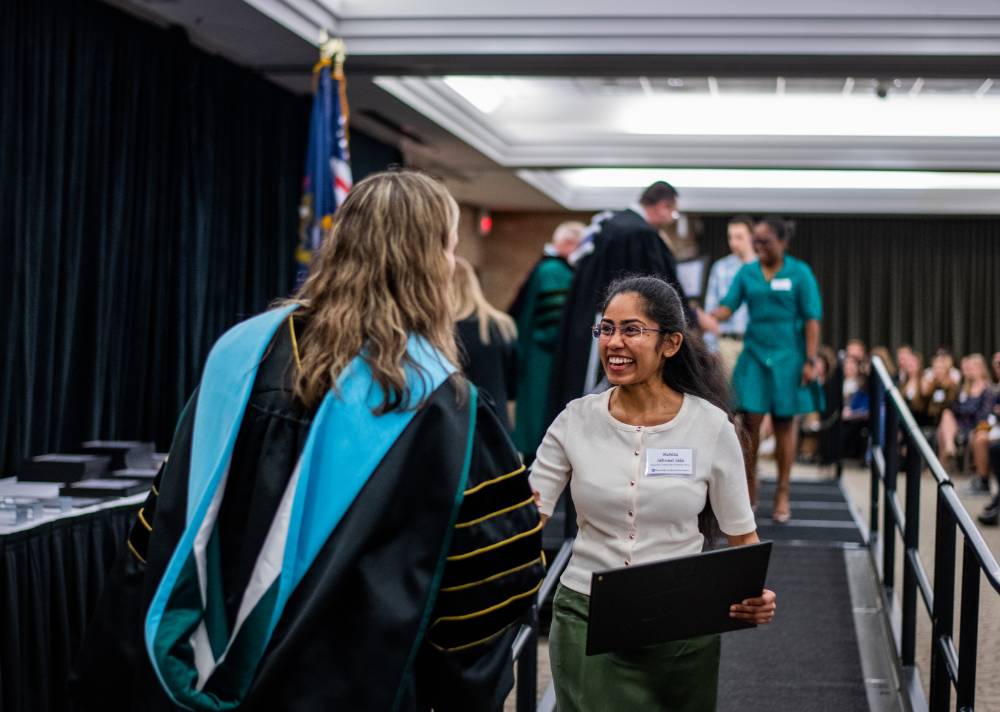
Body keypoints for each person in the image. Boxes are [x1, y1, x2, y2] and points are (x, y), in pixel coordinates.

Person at [70, 171, 545, 712]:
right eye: (449, 248)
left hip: (201, 663)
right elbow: (485, 587)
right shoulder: (441, 405)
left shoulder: (240, 356)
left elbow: (166, 518)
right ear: (431, 262)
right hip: (352, 683)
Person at [530, 276, 775, 712]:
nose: (614, 342)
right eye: (606, 328)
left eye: (631, 329)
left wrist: (755, 592)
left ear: (671, 343)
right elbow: (527, 517)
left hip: (682, 624)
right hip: (588, 615)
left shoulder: (711, 426)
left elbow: (742, 535)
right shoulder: (574, 420)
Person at [548, 181, 696, 422]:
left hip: (587, 324)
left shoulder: (609, 225)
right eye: (673, 212)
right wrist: (693, 316)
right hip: (608, 326)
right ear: (662, 206)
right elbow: (661, 292)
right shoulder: (640, 234)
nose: (671, 219)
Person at [709, 217, 822, 522]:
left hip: (789, 355)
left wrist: (810, 360)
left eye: (765, 242)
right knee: (748, 421)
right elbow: (728, 306)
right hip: (755, 353)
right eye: (755, 242)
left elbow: (812, 318)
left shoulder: (800, 272)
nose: (758, 247)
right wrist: (707, 315)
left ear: (782, 242)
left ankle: (783, 491)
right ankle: (750, 487)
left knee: (785, 422)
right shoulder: (747, 272)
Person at [508, 221, 584, 459]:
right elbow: (552, 325)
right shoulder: (554, 271)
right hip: (544, 358)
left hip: (536, 355)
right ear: (569, 243)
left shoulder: (546, 267)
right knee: (540, 423)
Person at [453, 256, 519, 432]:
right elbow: (512, 385)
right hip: (497, 422)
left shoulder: (446, 331)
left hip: (462, 425)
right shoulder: (503, 326)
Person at [704, 215, 757, 378]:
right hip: (727, 343)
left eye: (739, 237)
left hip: (755, 344)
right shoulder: (720, 268)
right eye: (730, 237)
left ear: (752, 237)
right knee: (727, 393)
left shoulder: (763, 268)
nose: (733, 243)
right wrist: (711, 348)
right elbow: (710, 312)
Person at [937, 354, 996, 492]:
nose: (970, 371)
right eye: (968, 368)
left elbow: (983, 413)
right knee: (946, 415)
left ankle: (947, 456)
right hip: (962, 424)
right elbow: (954, 407)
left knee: (977, 434)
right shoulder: (963, 389)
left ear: (981, 369)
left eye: (973, 367)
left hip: (979, 424)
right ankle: (949, 447)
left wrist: (965, 410)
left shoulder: (988, 389)